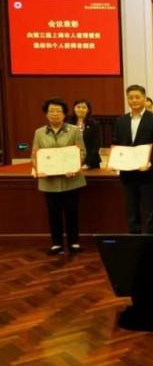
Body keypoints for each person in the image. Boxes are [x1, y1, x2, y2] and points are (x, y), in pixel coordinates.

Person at [32, 98, 87, 255]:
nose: (55, 114)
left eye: (58, 111)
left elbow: (82, 152)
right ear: (46, 114)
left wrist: (75, 166)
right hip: (49, 181)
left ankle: (74, 243)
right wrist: (38, 167)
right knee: (53, 213)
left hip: (72, 179)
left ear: (64, 114)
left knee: (72, 212)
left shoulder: (74, 130)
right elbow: (35, 155)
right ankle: (56, 243)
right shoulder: (39, 132)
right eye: (51, 111)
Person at [112, 84, 153, 234]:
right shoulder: (121, 121)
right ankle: (134, 242)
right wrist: (116, 161)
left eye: (137, 97)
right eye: (130, 98)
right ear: (127, 100)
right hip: (128, 173)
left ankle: (149, 243)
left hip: (148, 173)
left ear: (144, 98)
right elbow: (117, 143)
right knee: (131, 211)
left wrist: (150, 163)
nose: (134, 100)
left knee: (149, 211)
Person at [67, 99, 101, 169]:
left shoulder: (94, 124)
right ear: (74, 109)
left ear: (88, 110)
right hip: (72, 161)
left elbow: (95, 145)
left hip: (91, 162)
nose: (81, 109)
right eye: (78, 107)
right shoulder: (68, 124)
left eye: (84, 107)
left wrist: (87, 163)